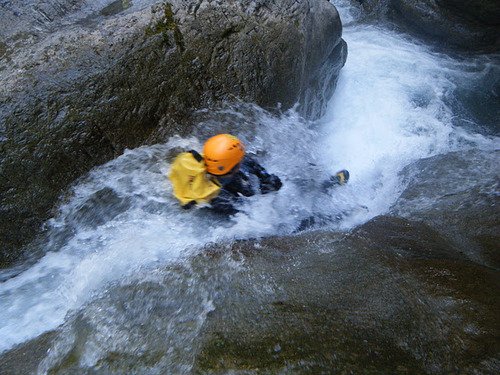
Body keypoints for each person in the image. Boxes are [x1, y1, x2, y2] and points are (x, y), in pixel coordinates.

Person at [169, 134, 283, 215]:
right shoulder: (215, 198)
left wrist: (265, 176)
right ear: (231, 169)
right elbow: (248, 211)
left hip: (218, 176)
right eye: (239, 160)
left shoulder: (204, 160)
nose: (242, 159)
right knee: (248, 194)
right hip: (215, 195)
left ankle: (263, 179)